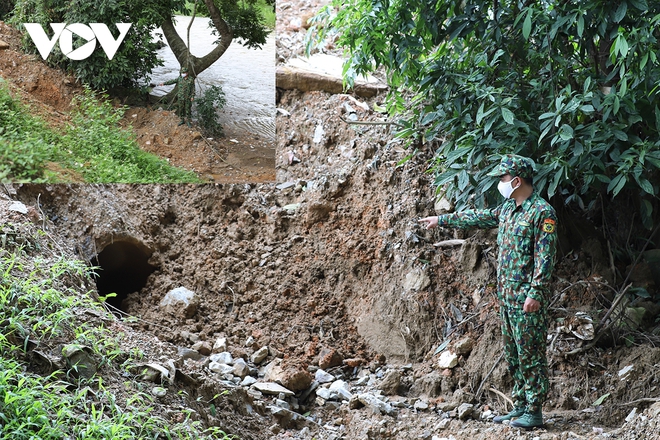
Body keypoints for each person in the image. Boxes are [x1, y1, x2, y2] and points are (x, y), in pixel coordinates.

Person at [419, 154, 558, 430]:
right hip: (507, 297)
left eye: (503, 178)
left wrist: (536, 293)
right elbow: (478, 217)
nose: (500, 183)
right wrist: (441, 219)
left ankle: (534, 411)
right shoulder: (507, 209)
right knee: (513, 353)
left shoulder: (542, 212)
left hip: (526, 299)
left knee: (530, 354)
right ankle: (520, 406)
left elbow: (546, 257)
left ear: (517, 180)